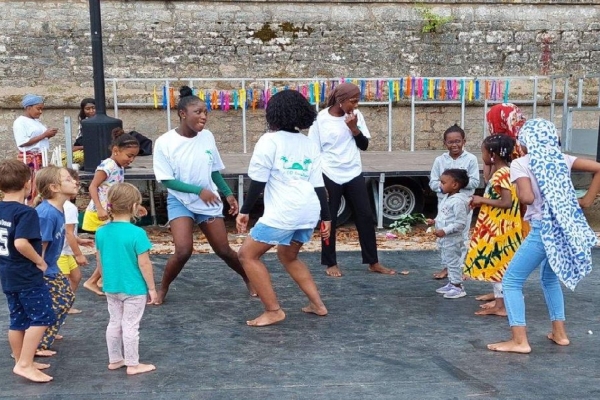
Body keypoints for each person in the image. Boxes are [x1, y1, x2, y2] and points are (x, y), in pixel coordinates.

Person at [487, 118, 600, 354]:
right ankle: (560, 334)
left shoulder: (521, 163)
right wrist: (587, 201)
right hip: (562, 227)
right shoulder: (563, 159)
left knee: (511, 281)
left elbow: (527, 198)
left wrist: (519, 189)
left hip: (542, 229)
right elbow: (598, 168)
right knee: (549, 279)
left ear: (525, 142)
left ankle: (519, 340)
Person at [236, 90, 331, 327]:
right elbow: (319, 185)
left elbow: (258, 181)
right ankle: (318, 305)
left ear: (273, 114)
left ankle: (273, 310)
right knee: (288, 256)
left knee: (247, 255)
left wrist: (244, 211)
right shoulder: (308, 143)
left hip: (284, 211)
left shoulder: (269, 140)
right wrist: (326, 217)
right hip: (308, 210)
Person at [152, 85, 253, 305]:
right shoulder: (165, 142)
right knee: (183, 250)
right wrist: (199, 191)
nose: (204, 116)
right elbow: (166, 180)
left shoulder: (207, 137)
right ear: (182, 114)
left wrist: (227, 193)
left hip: (209, 200)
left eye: (205, 112)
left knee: (224, 250)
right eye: (198, 112)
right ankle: (162, 289)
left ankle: (248, 277)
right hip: (181, 200)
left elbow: (213, 169)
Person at [307, 82, 394, 277]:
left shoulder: (356, 117)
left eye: (357, 101)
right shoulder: (320, 119)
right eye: (353, 101)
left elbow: (363, 145)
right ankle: (330, 263)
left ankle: (373, 261)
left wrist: (354, 128)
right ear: (340, 100)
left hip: (353, 172)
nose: (355, 105)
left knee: (365, 216)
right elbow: (313, 152)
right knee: (329, 218)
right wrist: (318, 181)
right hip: (329, 173)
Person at [0, 160, 56, 382]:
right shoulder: (25, 213)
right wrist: (40, 261)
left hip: (7, 272)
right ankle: (24, 363)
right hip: (26, 273)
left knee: (18, 318)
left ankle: (22, 359)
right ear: (28, 183)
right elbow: (22, 243)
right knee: (42, 317)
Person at [96, 183, 157, 375]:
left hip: (111, 286)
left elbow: (100, 260)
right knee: (130, 325)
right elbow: (144, 264)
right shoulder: (137, 233)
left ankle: (115, 359)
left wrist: (104, 280)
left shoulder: (101, 231)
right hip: (134, 288)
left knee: (114, 321)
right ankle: (133, 363)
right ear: (134, 207)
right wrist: (152, 288)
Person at [463, 134, 522, 316]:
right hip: (500, 224)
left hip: (500, 227)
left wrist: (482, 199)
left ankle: (501, 306)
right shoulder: (503, 171)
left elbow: (506, 202)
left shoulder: (502, 174)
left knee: (499, 263)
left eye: (483, 152)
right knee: (499, 263)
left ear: (492, 154)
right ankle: (499, 300)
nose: (482, 155)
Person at [475, 103, 527, 305]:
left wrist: (481, 200)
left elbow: (507, 199)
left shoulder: (516, 154)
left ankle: (503, 299)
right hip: (501, 220)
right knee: (499, 259)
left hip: (507, 221)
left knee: (503, 259)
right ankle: (500, 295)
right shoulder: (501, 147)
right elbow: (489, 178)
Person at [82, 128, 143, 296]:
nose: (131, 160)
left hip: (110, 213)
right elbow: (93, 186)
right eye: (129, 156)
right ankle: (95, 280)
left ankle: (98, 280)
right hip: (99, 214)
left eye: (134, 156)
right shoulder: (107, 166)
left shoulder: (119, 166)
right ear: (116, 151)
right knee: (105, 250)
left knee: (109, 249)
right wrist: (100, 208)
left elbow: (118, 192)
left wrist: (135, 205)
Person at [34, 166, 80, 357]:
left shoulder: (58, 210)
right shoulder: (46, 214)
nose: (75, 182)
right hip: (45, 269)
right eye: (68, 179)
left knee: (66, 299)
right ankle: (38, 341)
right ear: (54, 187)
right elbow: (40, 245)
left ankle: (45, 333)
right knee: (56, 303)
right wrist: (39, 271)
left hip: (52, 265)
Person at [429, 124, 480, 280]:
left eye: (458, 141)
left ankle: (459, 268)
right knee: (443, 236)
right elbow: (433, 183)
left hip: (463, 204)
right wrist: (445, 187)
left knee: (461, 235)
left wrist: (456, 184)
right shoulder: (440, 160)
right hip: (444, 205)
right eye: (450, 142)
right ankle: (447, 267)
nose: (454, 145)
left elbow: (475, 182)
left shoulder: (471, 159)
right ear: (445, 143)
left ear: (464, 141)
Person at [426, 168, 471, 299]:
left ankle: (457, 286)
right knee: (447, 261)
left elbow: (460, 223)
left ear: (455, 185)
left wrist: (444, 230)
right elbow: (445, 216)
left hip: (452, 239)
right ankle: (452, 283)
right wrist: (434, 221)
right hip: (445, 239)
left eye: (443, 182)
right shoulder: (448, 197)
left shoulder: (458, 201)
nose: (440, 185)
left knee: (453, 262)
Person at [57, 168, 94, 314]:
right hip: (61, 253)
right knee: (62, 283)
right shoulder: (69, 207)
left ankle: (65, 304)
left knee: (76, 277)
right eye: (72, 182)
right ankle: (59, 308)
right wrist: (78, 254)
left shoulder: (65, 206)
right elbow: (67, 232)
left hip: (65, 251)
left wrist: (78, 240)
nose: (76, 185)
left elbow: (66, 231)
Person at [13, 94, 58, 200]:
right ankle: (31, 204)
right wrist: (44, 135)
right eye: (38, 109)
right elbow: (22, 142)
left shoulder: (36, 122)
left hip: (40, 156)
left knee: (41, 184)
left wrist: (48, 135)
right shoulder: (20, 122)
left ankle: (39, 202)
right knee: (31, 184)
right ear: (29, 108)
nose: (40, 112)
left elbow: (38, 140)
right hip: (29, 158)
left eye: (42, 109)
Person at [62, 98, 96, 166]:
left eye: (93, 108)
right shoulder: (82, 125)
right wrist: (83, 147)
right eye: (88, 109)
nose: (91, 111)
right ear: (83, 110)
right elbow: (75, 147)